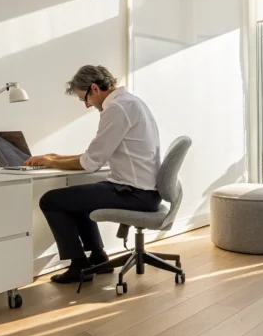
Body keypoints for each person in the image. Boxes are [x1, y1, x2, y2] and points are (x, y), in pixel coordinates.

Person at [25, 65, 162, 284]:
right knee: (75, 197)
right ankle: (98, 257)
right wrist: (54, 157)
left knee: (50, 200)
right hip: (142, 190)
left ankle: (78, 265)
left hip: (135, 194)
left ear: (95, 88)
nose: (87, 105)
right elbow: (95, 156)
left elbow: (90, 162)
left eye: (84, 99)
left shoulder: (116, 109)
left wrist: (51, 161)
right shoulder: (132, 102)